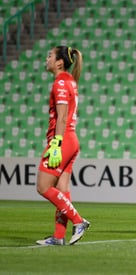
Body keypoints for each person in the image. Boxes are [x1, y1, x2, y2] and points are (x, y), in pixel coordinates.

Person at [36, 46, 90, 246]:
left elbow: (62, 116)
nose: (47, 58)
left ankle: (79, 221)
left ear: (59, 62)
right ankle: (59, 236)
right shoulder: (70, 81)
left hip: (63, 139)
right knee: (62, 189)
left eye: (50, 55)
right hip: (71, 139)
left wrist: (56, 144)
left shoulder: (60, 82)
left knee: (43, 187)